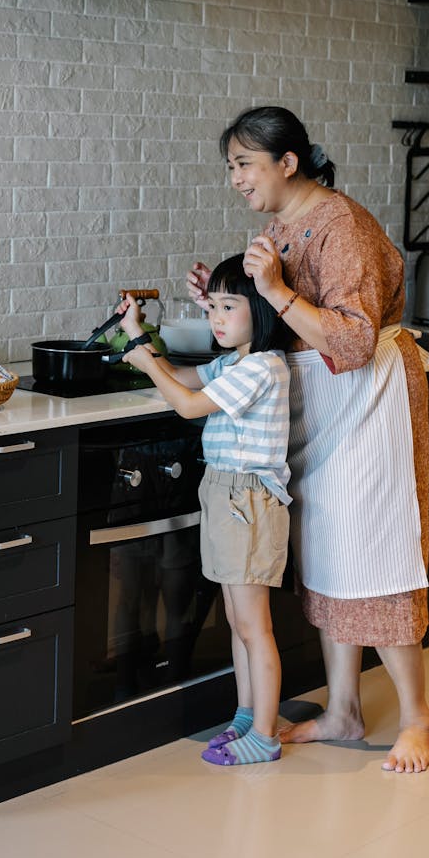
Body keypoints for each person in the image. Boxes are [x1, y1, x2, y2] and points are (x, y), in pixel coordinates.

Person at [187, 105, 429, 774]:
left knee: (372, 554)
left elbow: (354, 340)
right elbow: (274, 321)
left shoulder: (340, 224)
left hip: (368, 399)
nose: (236, 178)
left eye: (244, 163)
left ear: (287, 161)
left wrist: (271, 287)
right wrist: (222, 296)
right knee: (329, 556)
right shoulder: (282, 226)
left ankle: (418, 716)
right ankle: (344, 710)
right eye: (232, 166)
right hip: (320, 402)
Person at [119, 254, 292, 766]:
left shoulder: (262, 366)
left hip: (248, 501)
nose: (216, 317)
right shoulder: (233, 362)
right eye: (212, 305)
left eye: (229, 306)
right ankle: (247, 715)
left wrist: (144, 361)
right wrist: (137, 335)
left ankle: (266, 734)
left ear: (261, 310)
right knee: (238, 619)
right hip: (223, 493)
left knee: (255, 625)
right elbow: (184, 379)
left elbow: (190, 405)